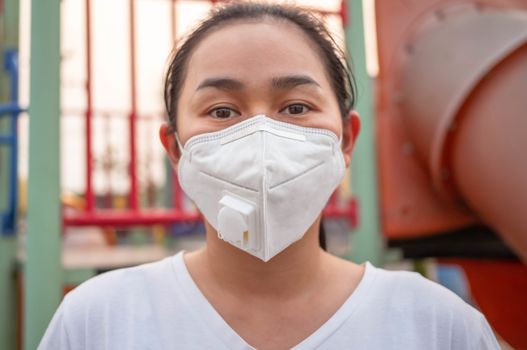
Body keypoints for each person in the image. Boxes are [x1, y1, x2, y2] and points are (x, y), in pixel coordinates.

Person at [39, 2, 500, 349]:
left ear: (345, 139)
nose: (261, 133)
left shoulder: (437, 325)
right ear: (175, 148)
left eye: (296, 107)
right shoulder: (97, 322)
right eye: (222, 110)